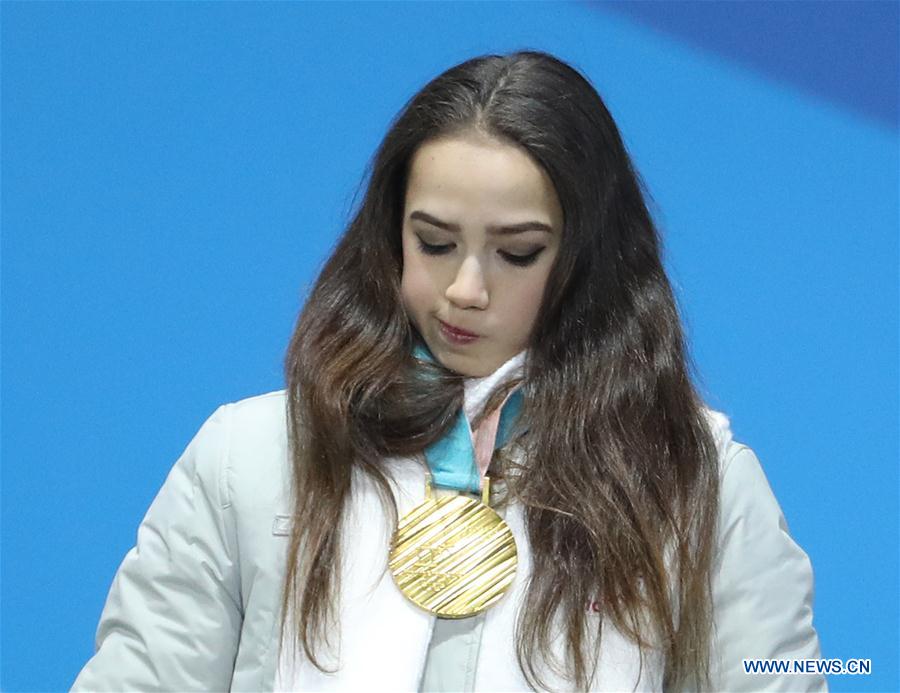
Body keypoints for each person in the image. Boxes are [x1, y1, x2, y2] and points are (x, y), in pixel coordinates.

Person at [72, 50, 824, 692]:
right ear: (389, 233)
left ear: (591, 260)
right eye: (433, 242)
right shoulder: (253, 457)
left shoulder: (697, 484)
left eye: (517, 252)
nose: (466, 288)